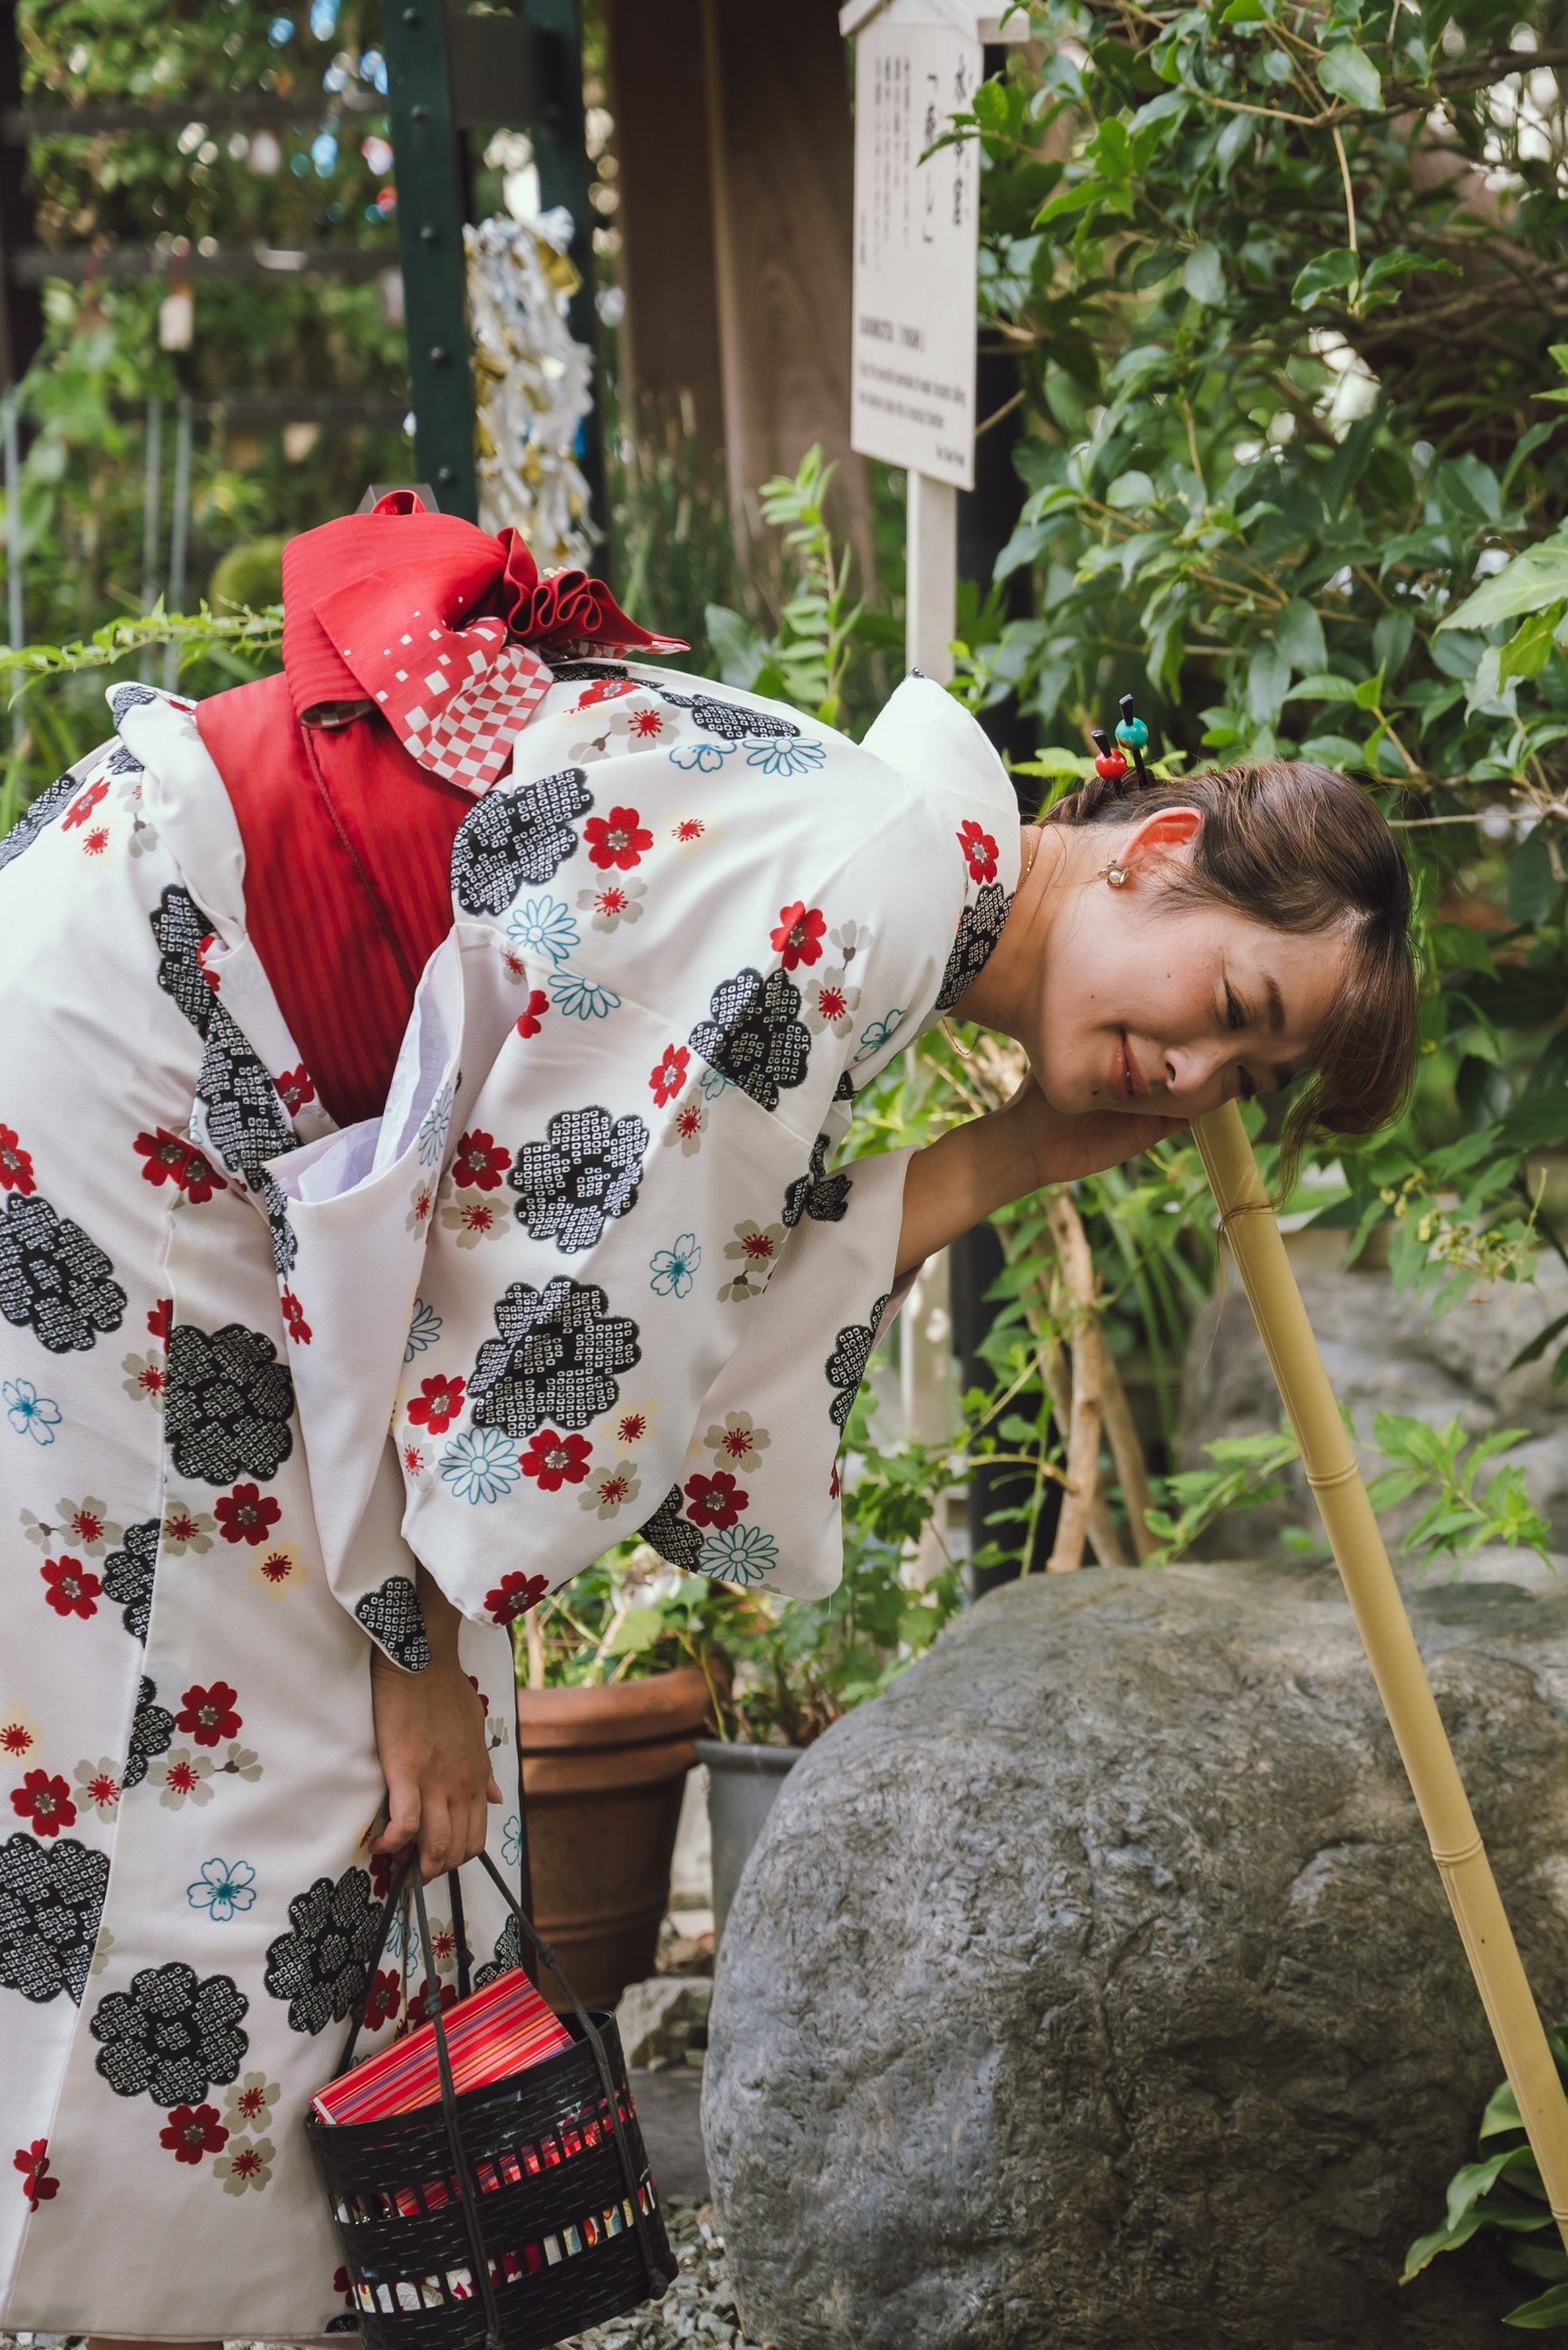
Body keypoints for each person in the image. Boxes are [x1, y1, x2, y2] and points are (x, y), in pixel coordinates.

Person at [0, 494, 1415, 2344]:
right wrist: (424, 1635)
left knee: (306, 1760)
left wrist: (1026, 1149)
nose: (1200, 1072)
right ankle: (157, 2291)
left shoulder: (892, 874)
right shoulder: (875, 885)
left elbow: (698, 1263)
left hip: (192, 1046)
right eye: (1232, 1003)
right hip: (154, 1056)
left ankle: (204, 2294)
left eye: (1253, 1073)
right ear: (1157, 851)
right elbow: (567, 1301)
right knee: (247, 1743)